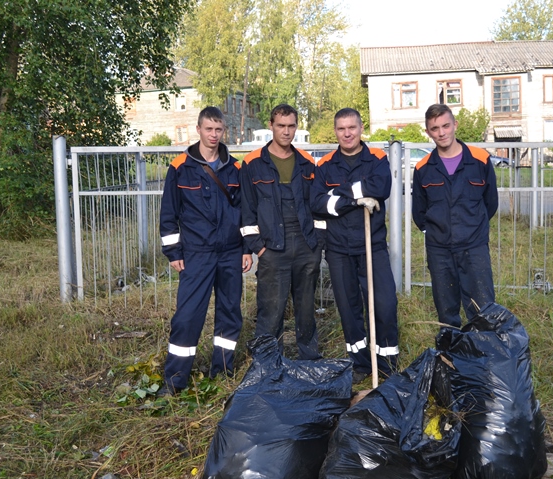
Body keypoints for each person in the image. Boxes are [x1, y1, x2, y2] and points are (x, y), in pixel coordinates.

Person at [159, 106, 252, 394]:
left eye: (218, 129)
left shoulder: (236, 169)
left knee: (229, 313)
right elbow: (168, 214)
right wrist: (174, 253)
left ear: (224, 131)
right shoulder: (179, 167)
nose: (214, 135)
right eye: (208, 129)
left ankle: (221, 372)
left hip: (230, 253)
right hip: (196, 254)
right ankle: (175, 380)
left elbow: (247, 212)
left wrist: (247, 249)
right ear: (198, 129)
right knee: (187, 316)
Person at [311, 108, 399, 384]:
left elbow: (381, 186)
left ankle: (386, 364)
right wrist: (354, 199)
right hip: (338, 248)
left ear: (361, 128)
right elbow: (316, 203)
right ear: (335, 131)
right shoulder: (324, 165)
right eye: (341, 129)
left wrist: (338, 195)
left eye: (352, 127)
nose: (347, 133)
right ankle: (360, 363)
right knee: (349, 309)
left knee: (384, 305)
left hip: (372, 245)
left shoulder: (377, 159)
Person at [239, 104, 325, 359]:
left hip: (305, 245)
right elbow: (246, 209)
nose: (287, 132)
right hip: (272, 247)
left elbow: (317, 207)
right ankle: (267, 364)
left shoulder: (307, 162)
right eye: (281, 126)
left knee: (306, 309)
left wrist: (317, 243)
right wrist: (259, 248)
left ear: (296, 127)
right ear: (271, 126)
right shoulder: (252, 163)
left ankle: (309, 362)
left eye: (291, 126)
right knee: (271, 309)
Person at [412, 103, 498, 329]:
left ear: (455, 125)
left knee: (482, 308)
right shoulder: (423, 168)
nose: (441, 132)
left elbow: (491, 202)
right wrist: (438, 233)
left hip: (474, 246)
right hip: (439, 250)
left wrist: (471, 227)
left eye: (445, 126)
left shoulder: (480, 160)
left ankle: (484, 357)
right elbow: (419, 212)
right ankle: (450, 357)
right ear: (428, 132)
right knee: (446, 309)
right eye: (435, 128)